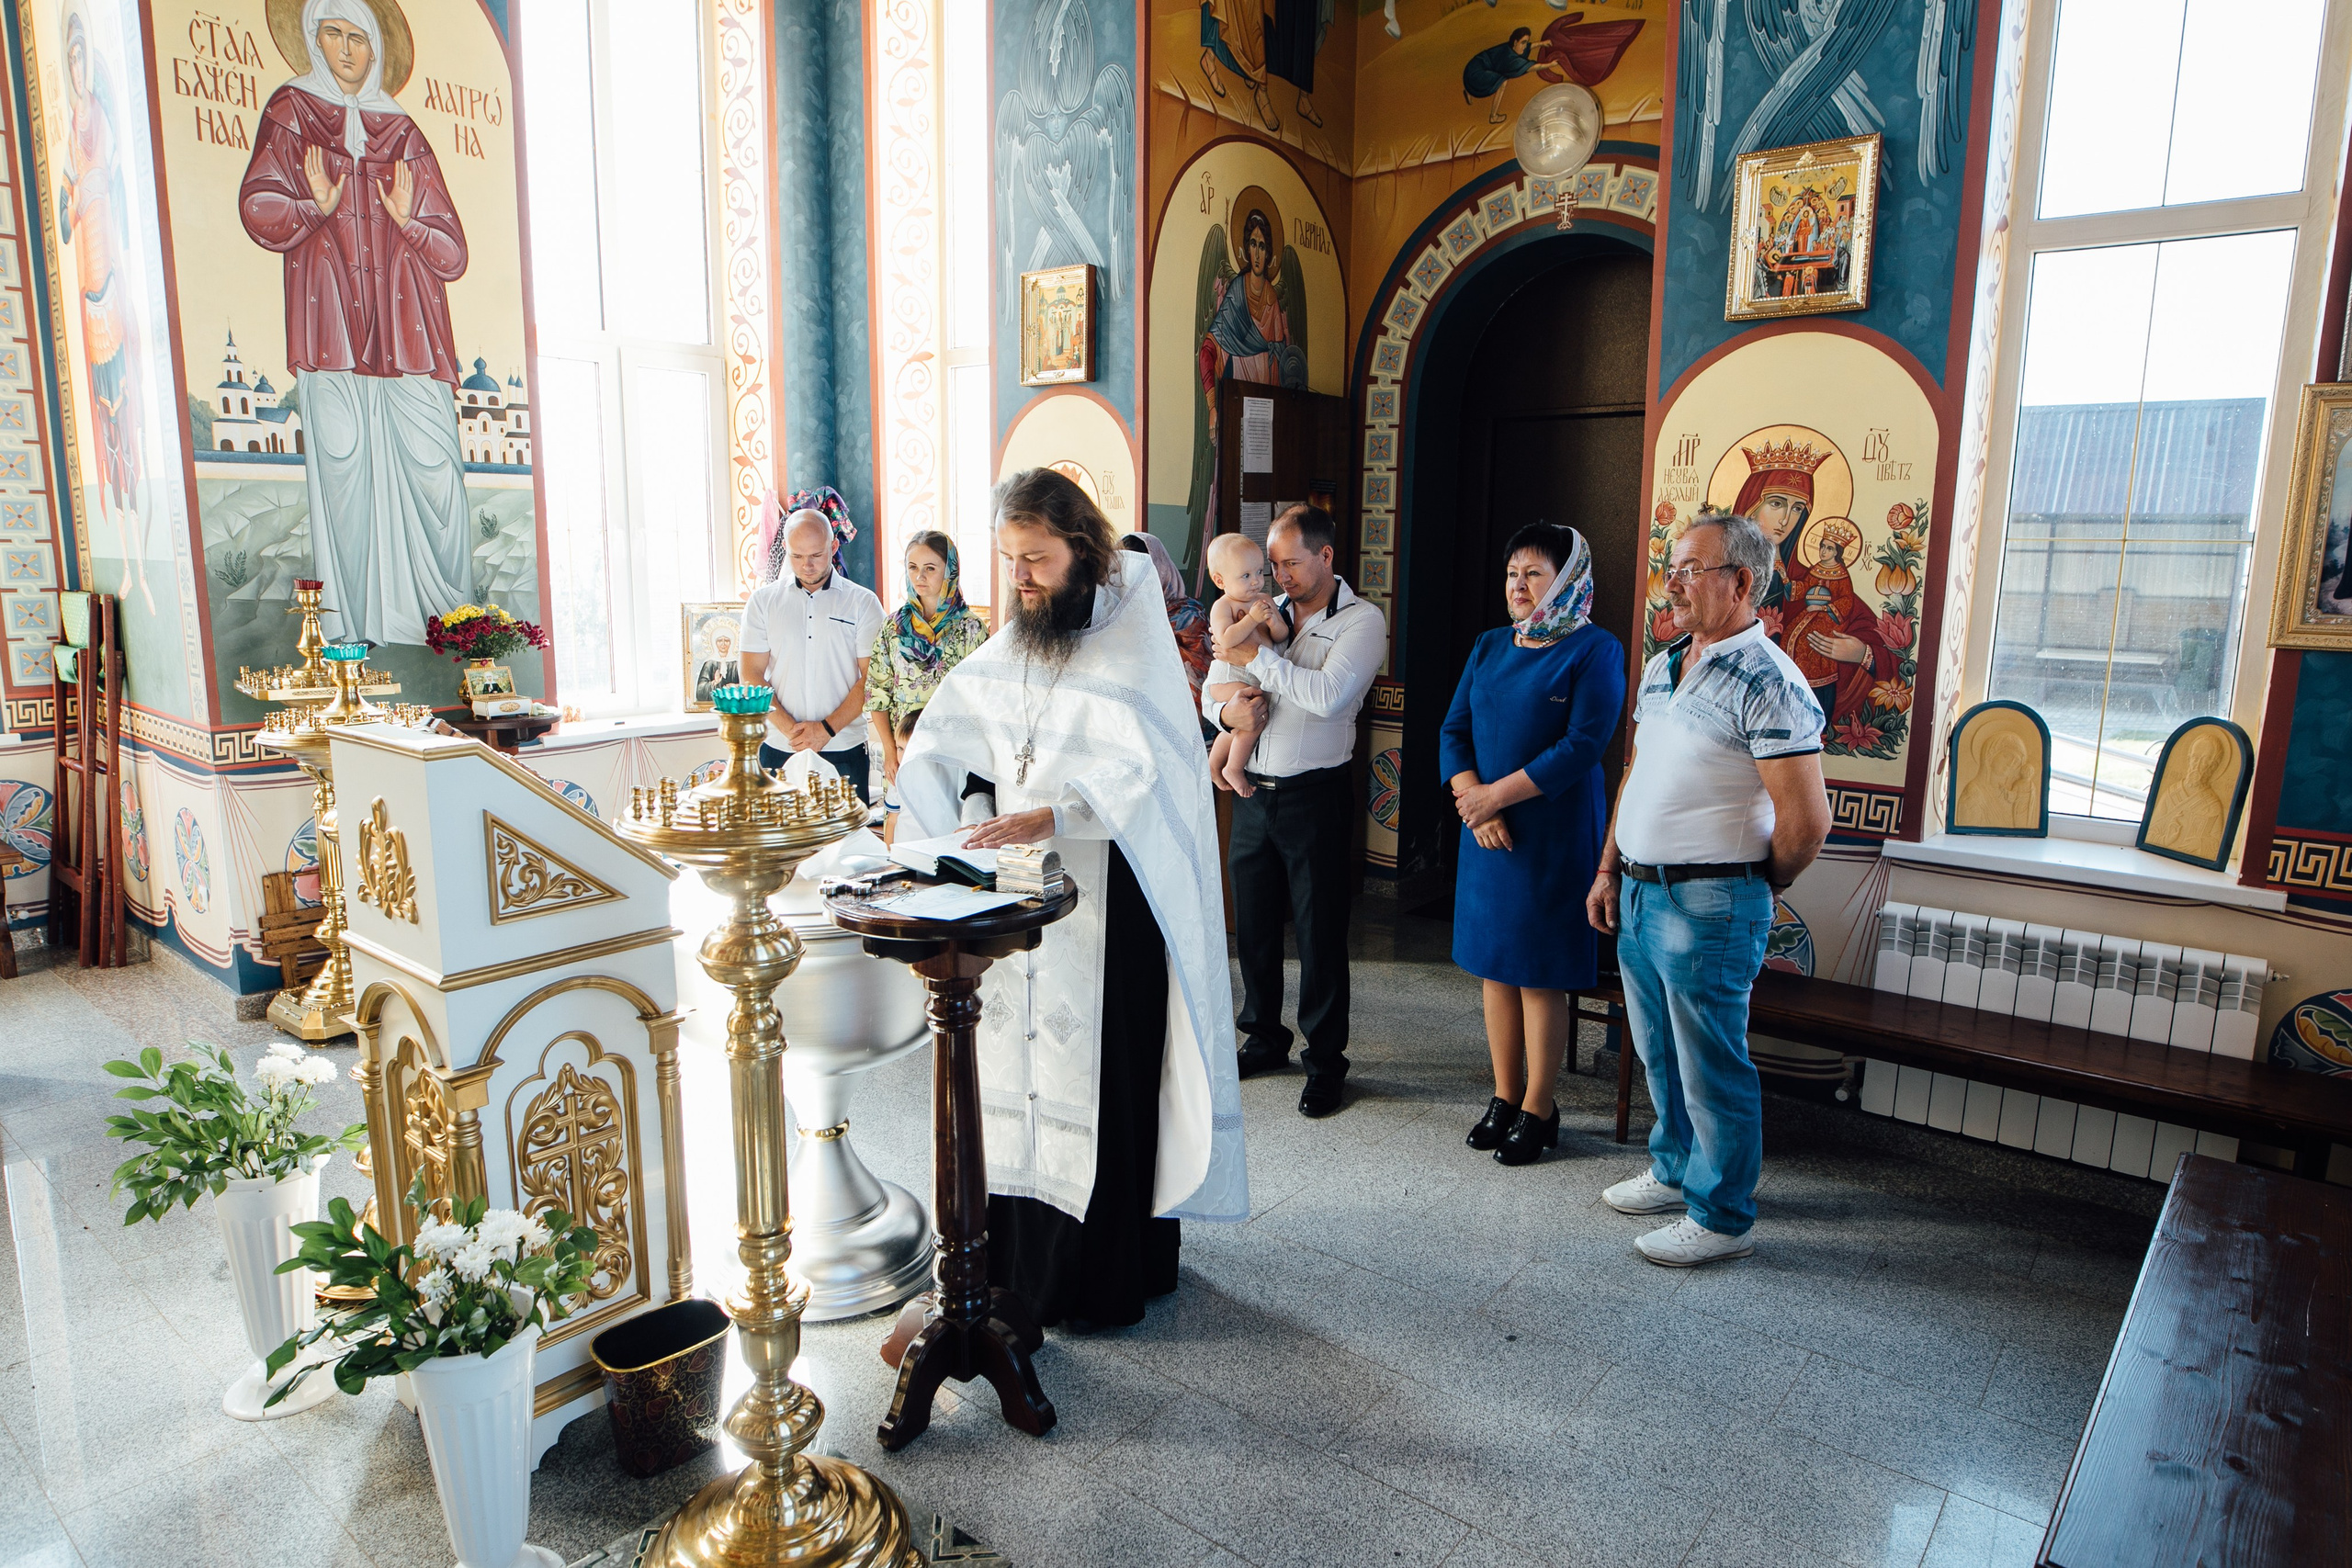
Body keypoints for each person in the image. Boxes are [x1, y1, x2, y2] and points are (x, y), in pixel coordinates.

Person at [895, 468, 1248, 1330]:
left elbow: (1158, 770)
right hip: (1020, 898)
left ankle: (1099, 1277)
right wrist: (950, 824)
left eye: (1038, 559)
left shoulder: (1135, 640)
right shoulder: (1017, 637)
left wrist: (1056, 812)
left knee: (1105, 1072)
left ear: (1082, 551)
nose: (1019, 578)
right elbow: (944, 734)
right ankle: (1014, 1264)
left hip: (1113, 897)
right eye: (1010, 558)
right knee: (1014, 1068)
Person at [1585, 509, 1830, 1267]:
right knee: (1659, 1050)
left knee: (1711, 1059)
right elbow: (1636, 774)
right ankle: (1674, 1169)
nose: (1673, 581)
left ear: (1742, 582)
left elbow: (1807, 822)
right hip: (1640, 890)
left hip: (1711, 902)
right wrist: (1609, 866)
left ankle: (1723, 1214)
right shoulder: (1664, 665)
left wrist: (1756, 884)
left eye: (1692, 569)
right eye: (1673, 566)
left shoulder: (1770, 681)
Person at [239, 0, 476, 648]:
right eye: (333, 34)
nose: (346, 50)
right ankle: (349, 628)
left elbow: (452, 252)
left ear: (378, 49)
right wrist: (311, 206)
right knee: (341, 466)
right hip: (331, 329)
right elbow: (258, 207)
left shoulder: (405, 134)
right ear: (313, 41)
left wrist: (409, 221)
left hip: (408, 334)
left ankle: (447, 628)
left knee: (434, 469)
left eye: (359, 39)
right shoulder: (291, 114)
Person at [1442, 523, 1625, 1167]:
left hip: (1550, 833)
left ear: (1568, 579)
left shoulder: (1595, 649)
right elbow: (1453, 729)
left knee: (1540, 975)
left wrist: (1497, 797)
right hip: (1487, 833)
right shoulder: (1491, 644)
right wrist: (1472, 800)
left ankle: (1540, 1106)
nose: (1519, 586)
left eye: (1534, 573)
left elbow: (1582, 745)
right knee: (1496, 966)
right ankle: (1504, 1094)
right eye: (1512, 573)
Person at [1208, 504, 1388, 1117]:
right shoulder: (1263, 609)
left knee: (1318, 931)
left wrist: (1254, 658)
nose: (1276, 575)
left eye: (1288, 562)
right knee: (1254, 924)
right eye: (1271, 564)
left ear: (1326, 556)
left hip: (1316, 794)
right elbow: (1211, 690)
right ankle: (1263, 1037)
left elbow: (1328, 698)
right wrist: (1229, 715)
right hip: (1254, 790)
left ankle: (1325, 1061)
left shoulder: (1362, 622)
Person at [740, 508, 885, 802]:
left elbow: (873, 678)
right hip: (779, 748)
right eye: (797, 556)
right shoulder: (762, 602)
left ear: (833, 547)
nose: (807, 565)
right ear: (786, 550)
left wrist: (825, 730)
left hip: (843, 748)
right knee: (779, 844)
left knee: (847, 846)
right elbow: (751, 673)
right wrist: (792, 731)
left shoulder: (863, 603)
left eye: (816, 555)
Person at [867, 529, 989, 790]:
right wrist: (891, 752)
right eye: (913, 567)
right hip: (902, 756)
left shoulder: (972, 629)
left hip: (953, 756)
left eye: (930, 568)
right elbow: (877, 695)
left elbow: (981, 702)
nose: (919, 577)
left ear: (950, 570)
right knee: (902, 826)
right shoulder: (892, 628)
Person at [1204, 533, 1293, 795]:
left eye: (1258, 572)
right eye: (1245, 576)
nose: (1255, 581)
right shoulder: (1224, 606)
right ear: (1220, 580)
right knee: (1255, 715)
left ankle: (1214, 762)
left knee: (1242, 720)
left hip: (1253, 674)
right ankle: (1234, 767)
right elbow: (1225, 639)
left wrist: (1274, 622)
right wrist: (1252, 619)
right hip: (1229, 675)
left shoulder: (1264, 599)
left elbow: (1280, 637)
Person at [1119, 531, 1213, 707]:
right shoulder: (1120, 614)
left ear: (1159, 569)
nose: (1131, 579)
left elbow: (1197, 677)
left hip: (1186, 715)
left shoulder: (1188, 615)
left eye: (1141, 571)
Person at [691, 625, 740, 707]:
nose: (723, 644)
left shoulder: (737, 664)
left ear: (732, 642)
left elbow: (747, 685)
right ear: (714, 642)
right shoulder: (709, 664)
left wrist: (736, 687)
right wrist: (714, 683)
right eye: (719, 640)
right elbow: (700, 690)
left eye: (727, 640)